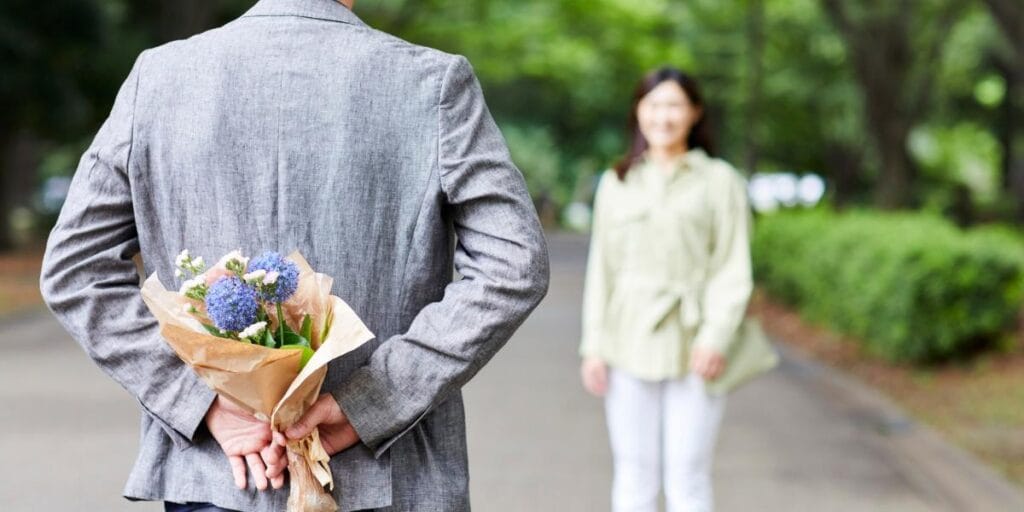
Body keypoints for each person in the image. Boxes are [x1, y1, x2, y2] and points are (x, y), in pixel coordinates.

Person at [39, 0, 550, 510]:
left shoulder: (159, 78)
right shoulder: (433, 84)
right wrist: (370, 403)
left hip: (217, 473)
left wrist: (200, 402)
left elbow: (74, 269)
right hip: (389, 477)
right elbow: (513, 264)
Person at [579, 66, 753, 512]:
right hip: (626, 339)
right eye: (654, 104)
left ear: (694, 112)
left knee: (687, 477)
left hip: (696, 340)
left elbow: (732, 266)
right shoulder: (616, 182)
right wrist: (593, 346)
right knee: (634, 475)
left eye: (674, 104)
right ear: (639, 111)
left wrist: (716, 336)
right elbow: (602, 269)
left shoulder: (720, 180)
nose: (663, 116)